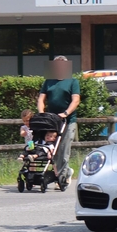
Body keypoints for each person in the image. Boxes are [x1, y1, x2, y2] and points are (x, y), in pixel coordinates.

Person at [37, 56, 80, 189]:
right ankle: (64, 172)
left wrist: (66, 113)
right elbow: (41, 99)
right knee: (52, 148)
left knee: (63, 149)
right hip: (52, 120)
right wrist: (41, 113)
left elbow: (76, 100)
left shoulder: (72, 81)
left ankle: (61, 178)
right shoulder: (48, 81)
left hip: (67, 120)